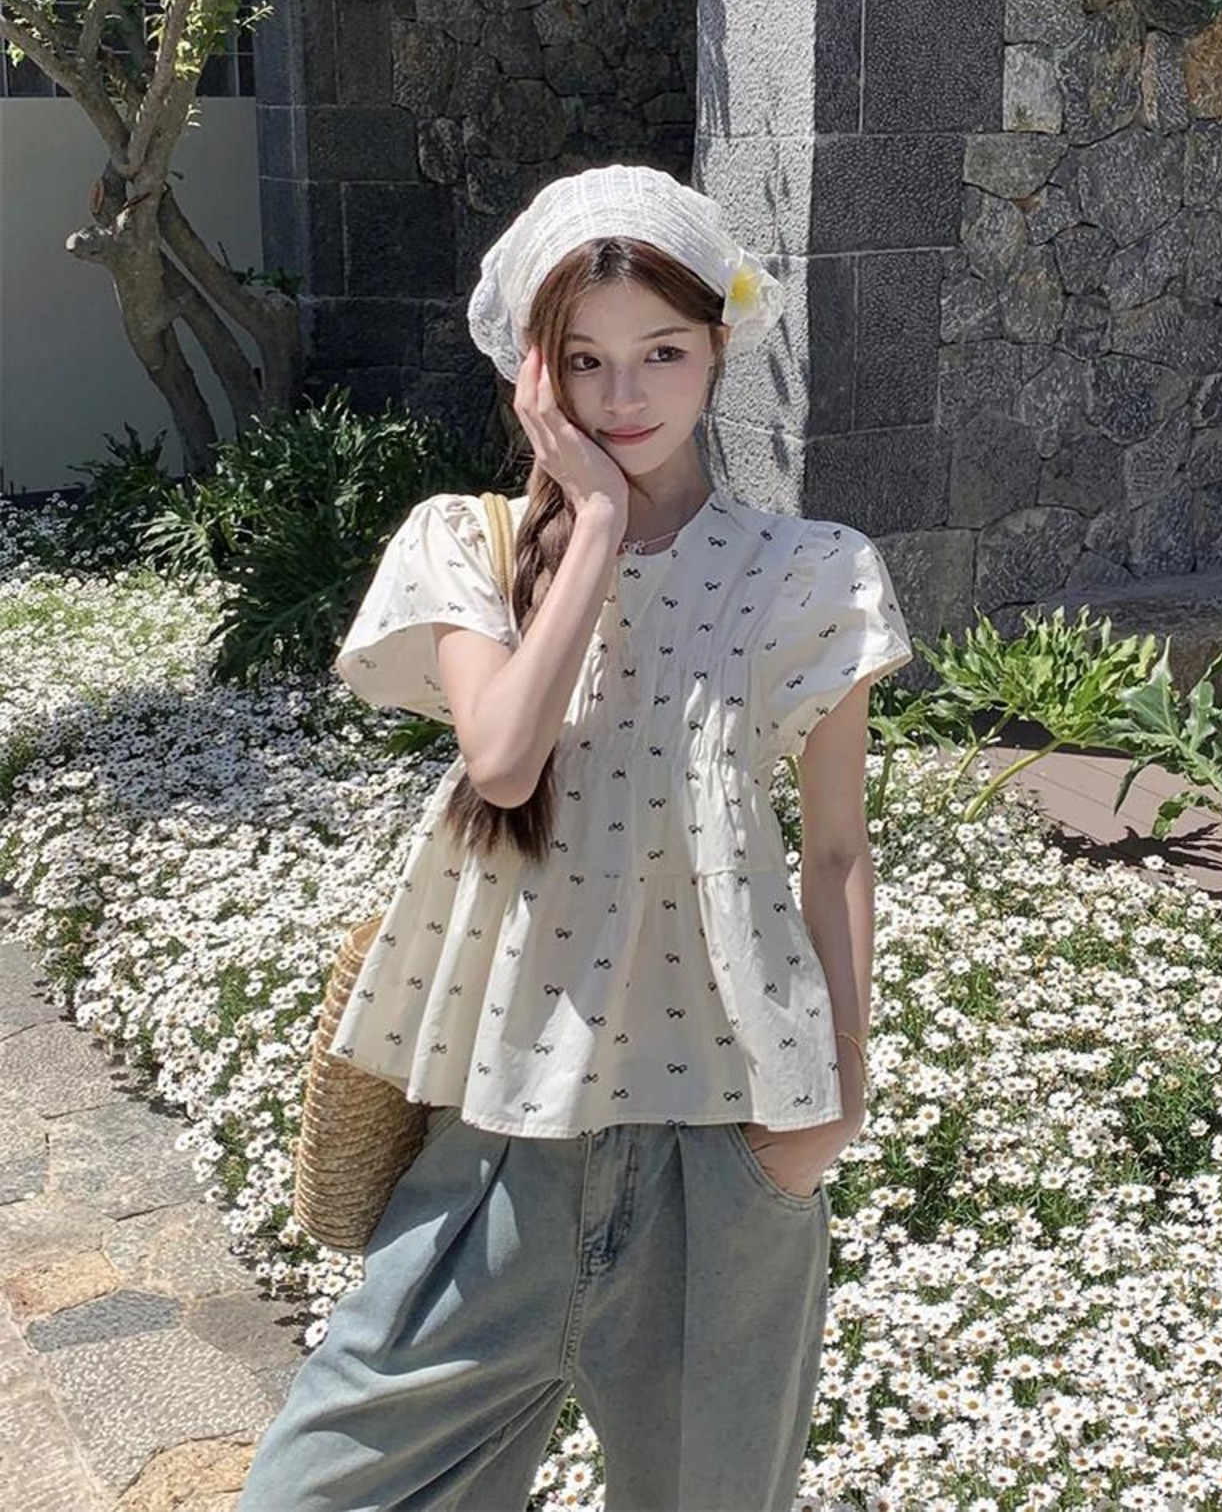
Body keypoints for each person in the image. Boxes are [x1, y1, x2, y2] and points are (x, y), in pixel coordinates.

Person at [235, 164, 912, 1512]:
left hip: (729, 1141)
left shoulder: (813, 570)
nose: (627, 394)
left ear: (720, 346)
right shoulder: (469, 546)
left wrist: (835, 1105)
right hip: (498, 1137)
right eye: (587, 360)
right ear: (534, 375)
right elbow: (502, 759)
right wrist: (595, 520)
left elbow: (838, 851)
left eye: (664, 351)